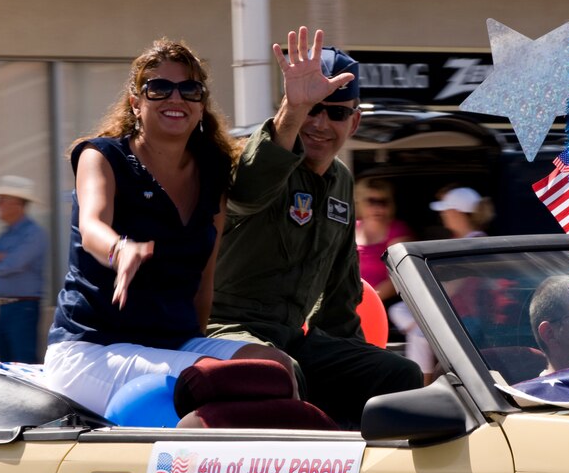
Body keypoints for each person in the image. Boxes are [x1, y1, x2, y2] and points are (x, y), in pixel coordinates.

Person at [43, 38, 296, 418]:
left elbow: (204, 280)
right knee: (217, 382)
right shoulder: (101, 155)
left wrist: (298, 107)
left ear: (201, 104)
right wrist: (120, 249)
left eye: (189, 89)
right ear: (136, 103)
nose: (175, 99)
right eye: (159, 88)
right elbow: (92, 224)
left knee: (276, 368)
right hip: (91, 350)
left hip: (174, 345)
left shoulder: (211, 171)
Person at [207, 27, 423, 428]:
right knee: (278, 372)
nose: (320, 122)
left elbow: (341, 292)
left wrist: (353, 359)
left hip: (290, 336)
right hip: (227, 330)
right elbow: (247, 192)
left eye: (336, 112)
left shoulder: (341, 181)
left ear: (353, 122)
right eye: (312, 108)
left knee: (399, 374)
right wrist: (293, 110)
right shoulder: (263, 158)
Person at [389, 185, 495, 384]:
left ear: (457, 212)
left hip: (466, 320)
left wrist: (420, 308)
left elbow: (452, 287)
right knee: (405, 317)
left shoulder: (473, 243)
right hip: (459, 314)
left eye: (446, 210)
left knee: (418, 333)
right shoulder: (466, 240)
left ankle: (423, 386)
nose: (443, 215)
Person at [0, 175, 49, 364]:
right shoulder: (6, 235)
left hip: (23, 307)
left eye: (2, 200)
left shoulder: (35, 233)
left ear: (17, 205)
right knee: (6, 363)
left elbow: (13, 264)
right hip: (4, 307)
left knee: (23, 362)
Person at [355, 177, 413, 305]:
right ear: (361, 203)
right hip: (350, 301)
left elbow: (398, 278)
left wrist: (366, 302)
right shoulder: (352, 228)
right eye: (371, 201)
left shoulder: (398, 231)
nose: (378, 208)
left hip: (382, 304)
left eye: (383, 202)